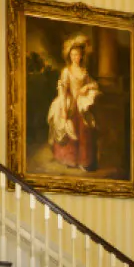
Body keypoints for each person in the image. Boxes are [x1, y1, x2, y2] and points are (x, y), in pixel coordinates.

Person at [47, 35, 99, 170]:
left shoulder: (84, 71)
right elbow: (63, 90)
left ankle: (84, 161)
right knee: (70, 131)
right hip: (69, 104)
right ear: (69, 56)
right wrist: (64, 109)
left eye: (77, 55)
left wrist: (86, 87)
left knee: (84, 132)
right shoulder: (66, 71)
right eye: (73, 55)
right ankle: (70, 160)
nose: (75, 57)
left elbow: (94, 84)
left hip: (81, 104)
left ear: (81, 56)